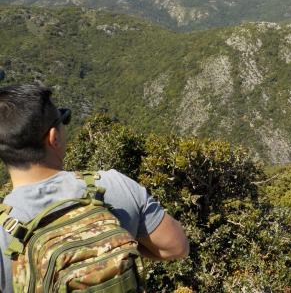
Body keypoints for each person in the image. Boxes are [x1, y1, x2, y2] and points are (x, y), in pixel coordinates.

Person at [0, 84, 189, 292]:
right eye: (64, 119)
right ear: (54, 138)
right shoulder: (114, 185)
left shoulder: (3, 232)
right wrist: (123, 244)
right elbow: (177, 247)